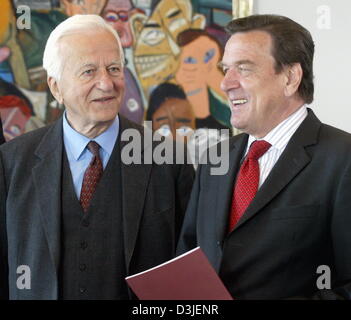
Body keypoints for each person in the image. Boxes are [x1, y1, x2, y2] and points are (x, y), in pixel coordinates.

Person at [0, 14, 194, 300]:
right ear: (56, 87)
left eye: (114, 69)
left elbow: (189, 270)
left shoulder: (169, 159)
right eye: (89, 71)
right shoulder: (11, 162)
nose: (106, 83)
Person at [177, 14, 351, 299]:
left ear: (291, 78)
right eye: (225, 69)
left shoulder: (343, 159)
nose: (225, 83)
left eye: (244, 69)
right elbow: (188, 258)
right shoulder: (214, 159)